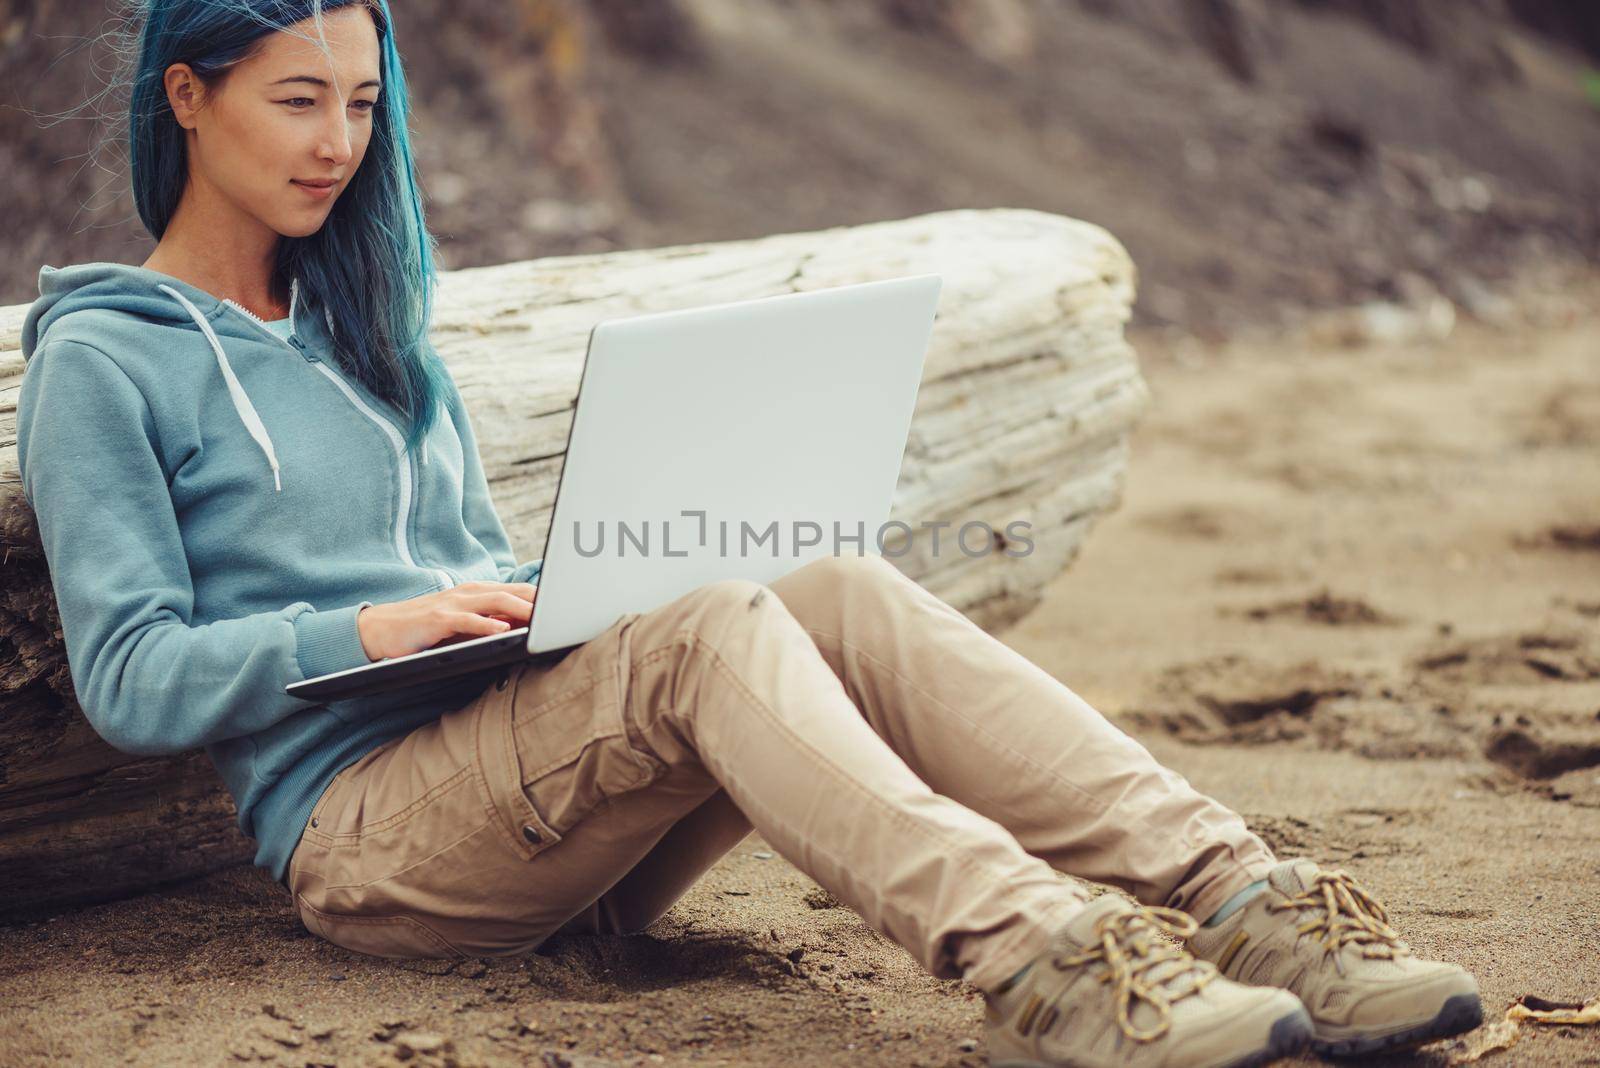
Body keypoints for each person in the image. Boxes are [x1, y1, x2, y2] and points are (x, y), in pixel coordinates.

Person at [15, 3, 1484, 1065]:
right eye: (297, 100)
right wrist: (365, 630)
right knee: (713, 628)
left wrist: (551, 595)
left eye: (361, 101)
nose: (341, 142)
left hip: (527, 795)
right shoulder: (109, 360)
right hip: (371, 843)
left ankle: (1245, 895)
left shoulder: (368, 328)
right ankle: (1039, 958)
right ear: (189, 97)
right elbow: (132, 678)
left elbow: (459, 569)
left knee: (823, 581)